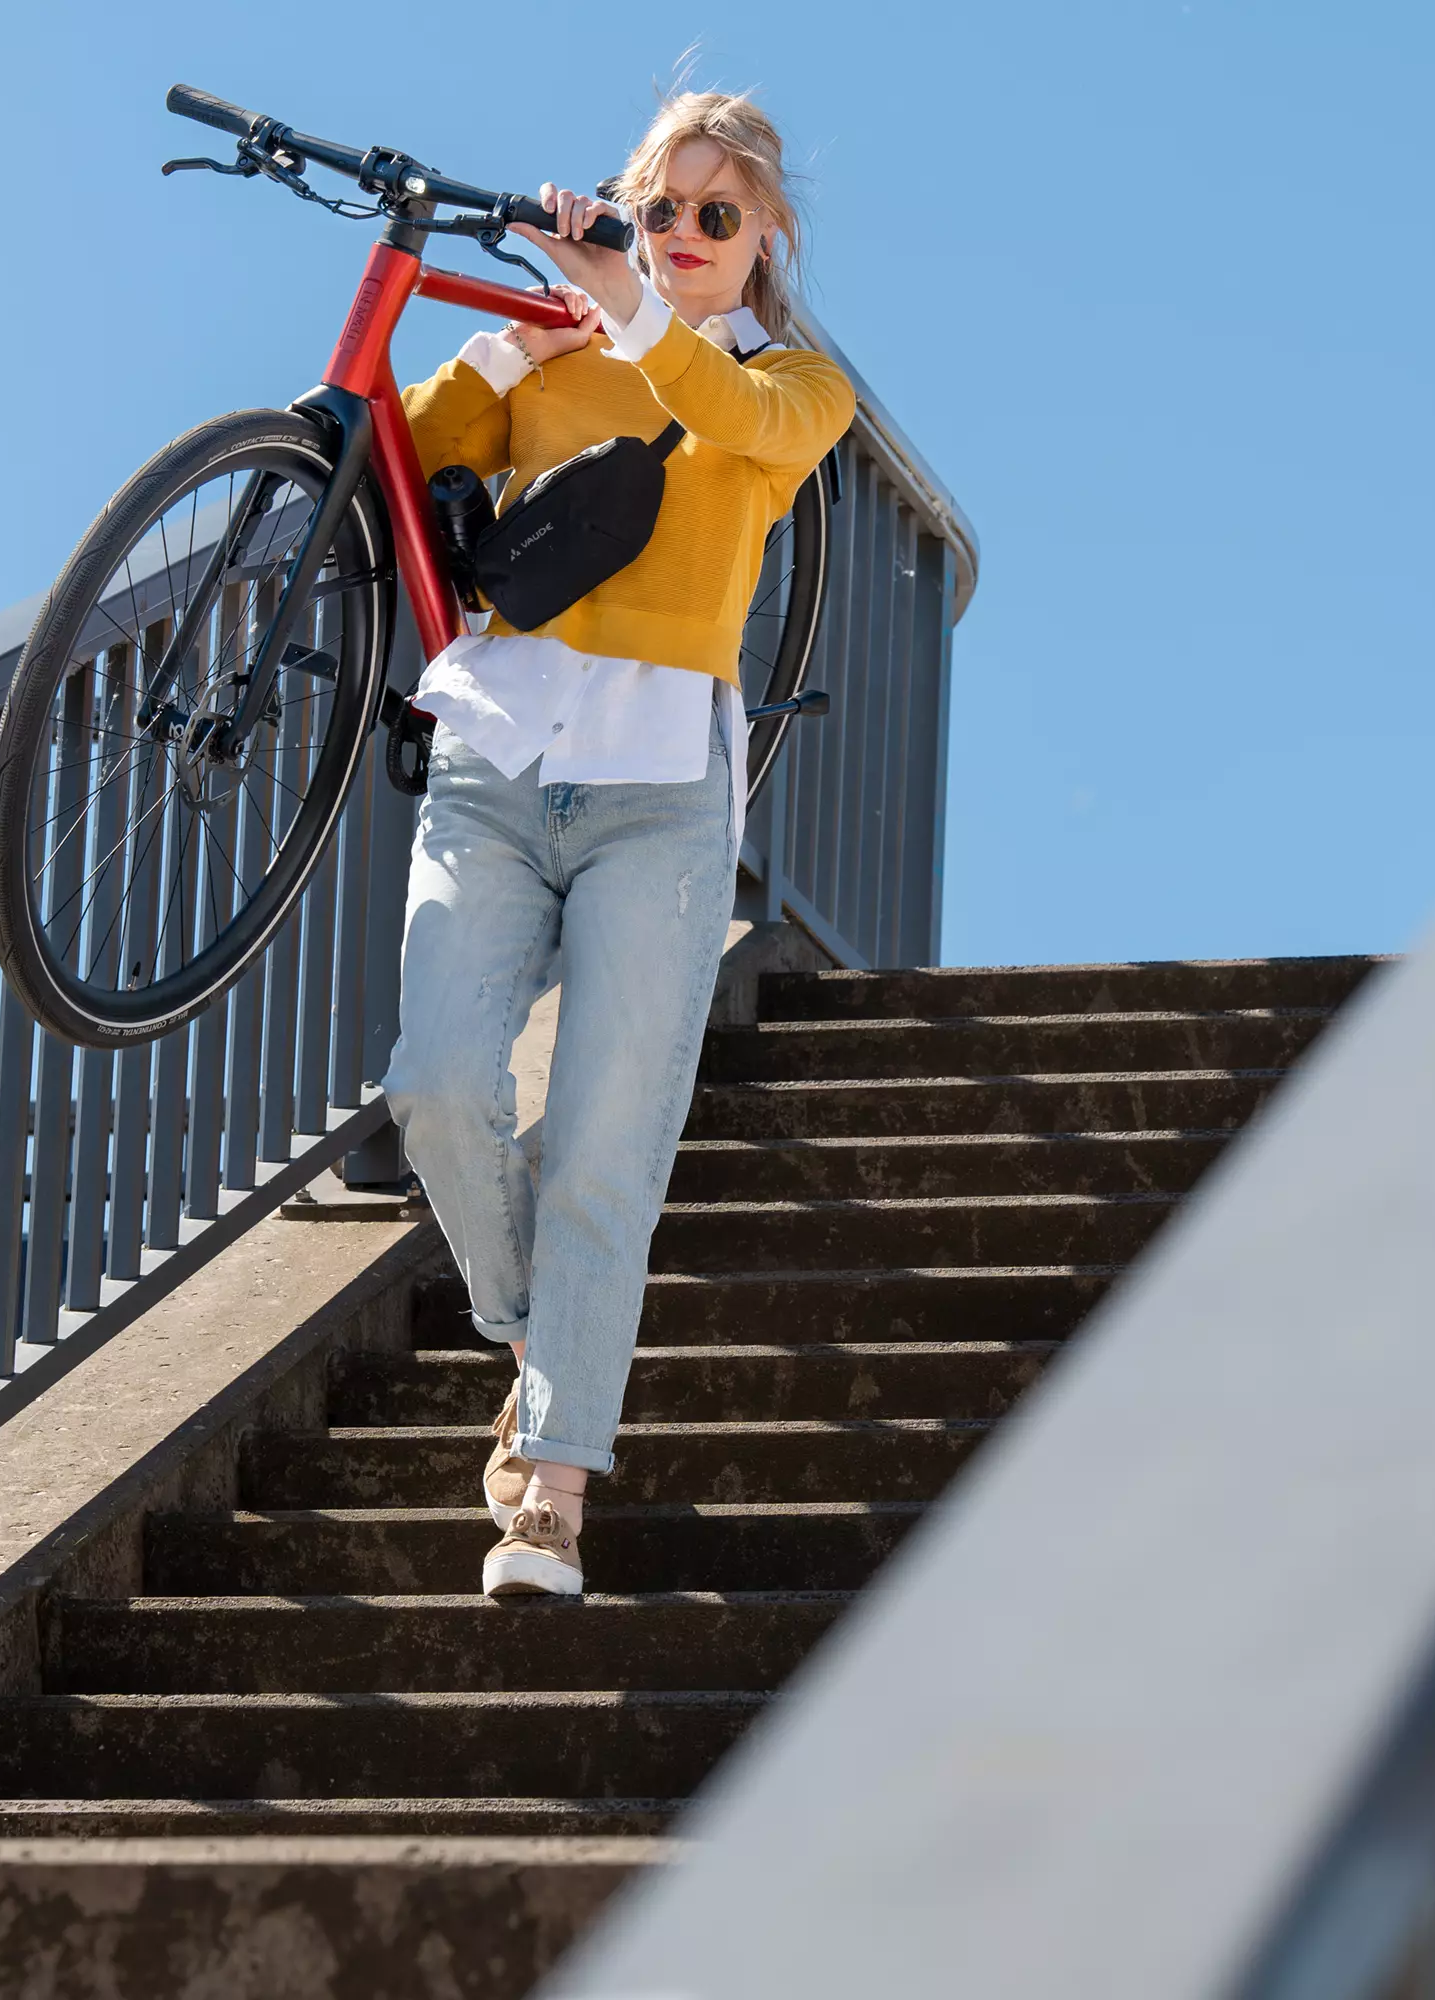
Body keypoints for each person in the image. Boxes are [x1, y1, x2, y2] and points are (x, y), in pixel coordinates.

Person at [382, 91, 856, 1600]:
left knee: (602, 1151)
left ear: (767, 233)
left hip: (662, 797)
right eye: (663, 212)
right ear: (629, 211)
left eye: (722, 216)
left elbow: (734, 424)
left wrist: (632, 306)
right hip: (498, 764)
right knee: (442, 1090)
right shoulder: (569, 355)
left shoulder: (793, 385)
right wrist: (517, 341)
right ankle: (533, 1330)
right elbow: (411, 455)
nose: (689, 240)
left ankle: (550, 1496)